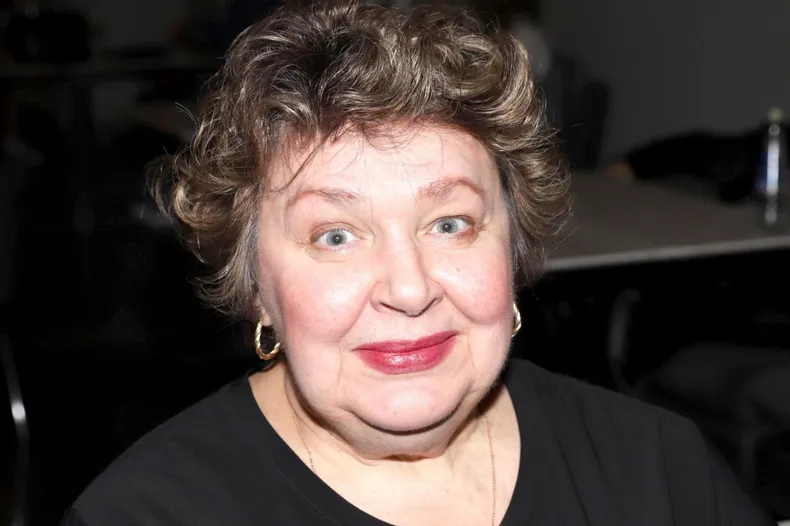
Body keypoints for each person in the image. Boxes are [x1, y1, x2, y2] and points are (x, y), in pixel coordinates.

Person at [62, 1, 774, 524]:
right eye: (336, 236)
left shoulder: (656, 473)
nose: (408, 289)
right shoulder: (146, 513)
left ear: (514, 246)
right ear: (255, 287)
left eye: (449, 224)